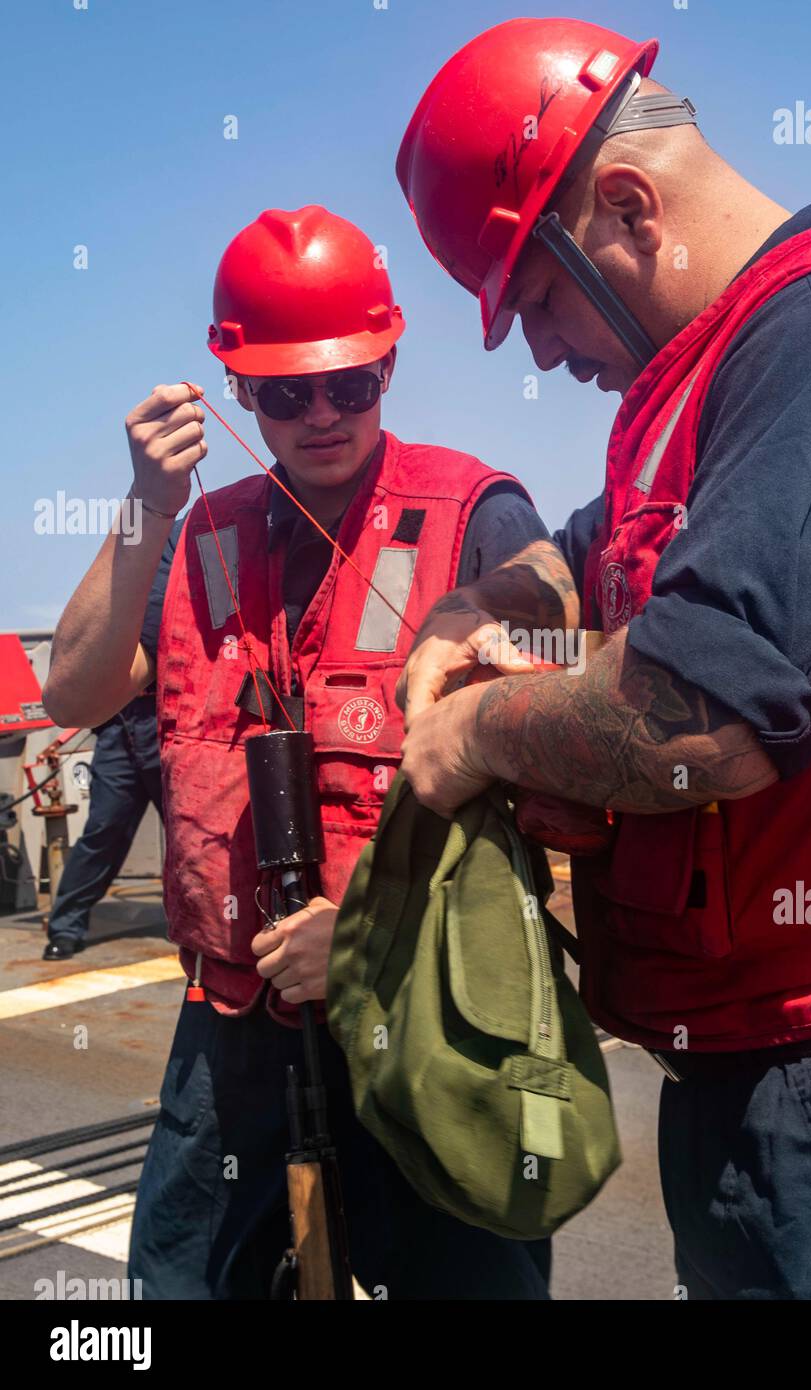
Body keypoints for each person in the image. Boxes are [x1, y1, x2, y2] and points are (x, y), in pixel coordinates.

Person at [393, 18, 811, 1299]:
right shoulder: (690, 397)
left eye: (533, 299)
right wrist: (469, 606)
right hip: (756, 1081)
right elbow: (583, 556)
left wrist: (471, 733)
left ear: (629, 205)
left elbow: (696, 717)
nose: (538, 352)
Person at [43, 204, 560, 1299]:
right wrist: (147, 504)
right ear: (238, 390)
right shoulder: (200, 536)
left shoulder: (479, 516)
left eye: (349, 384)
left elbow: (562, 803)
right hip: (233, 1027)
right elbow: (77, 689)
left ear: (386, 361)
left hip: (430, 1019)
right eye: (285, 394)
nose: (320, 414)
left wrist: (374, 937)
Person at [42, 691, 163, 960]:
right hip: (118, 722)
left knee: (188, 833)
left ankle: (216, 925)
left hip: (171, 718)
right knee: (103, 828)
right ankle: (66, 927)